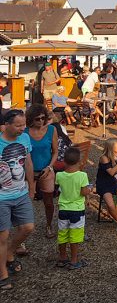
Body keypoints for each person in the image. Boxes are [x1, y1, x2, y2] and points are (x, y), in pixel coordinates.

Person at [0, 110, 35, 291]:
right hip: (1, 197)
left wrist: (32, 186)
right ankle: (3, 274)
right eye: (18, 125)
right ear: (6, 124)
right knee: (2, 237)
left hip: (20, 193)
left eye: (24, 125)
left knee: (28, 227)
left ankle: (10, 253)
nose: (23, 129)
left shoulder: (25, 139)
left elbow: (28, 163)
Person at [25, 104, 58, 238]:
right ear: (31, 119)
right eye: (37, 119)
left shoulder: (51, 130)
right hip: (29, 172)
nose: (40, 121)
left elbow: (55, 152)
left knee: (49, 202)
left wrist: (50, 167)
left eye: (43, 118)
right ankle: (23, 234)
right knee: (26, 203)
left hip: (46, 170)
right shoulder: (25, 132)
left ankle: (49, 225)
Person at [54, 147, 90, 270]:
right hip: (77, 210)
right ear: (80, 162)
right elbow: (84, 192)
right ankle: (74, 260)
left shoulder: (59, 175)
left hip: (63, 209)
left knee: (62, 234)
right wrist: (89, 190)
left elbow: (59, 189)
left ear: (64, 161)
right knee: (75, 236)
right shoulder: (82, 175)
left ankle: (62, 258)